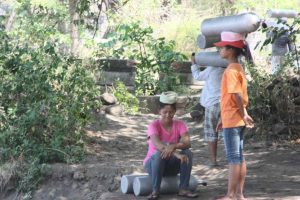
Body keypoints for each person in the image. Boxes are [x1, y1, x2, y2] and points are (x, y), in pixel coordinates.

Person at [214, 31, 254, 200]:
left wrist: (244, 113)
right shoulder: (238, 67)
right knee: (239, 156)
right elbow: (232, 97)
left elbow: (236, 94)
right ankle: (239, 194)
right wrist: (223, 118)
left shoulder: (230, 70)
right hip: (234, 118)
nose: (220, 50)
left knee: (233, 158)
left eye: (222, 47)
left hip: (234, 118)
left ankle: (230, 195)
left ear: (230, 50)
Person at [143, 91, 198, 200]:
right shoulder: (153, 125)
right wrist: (177, 154)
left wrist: (173, 146)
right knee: (159, 154)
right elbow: (159, 145)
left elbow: (187, 143)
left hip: (171, 166)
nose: (168, 115)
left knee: (187, 153)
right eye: (165, 112)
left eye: (171, 112)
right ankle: (155, 191)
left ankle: (183, 189)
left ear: (175, 111)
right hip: (153, 165)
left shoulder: (180, 124)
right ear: (159, 111)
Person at [190, 53, 225, 167]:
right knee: (226, 133)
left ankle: (213, 160)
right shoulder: (230, 69)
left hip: (212, 104)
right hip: (226, 104)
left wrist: (194, 63)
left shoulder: (212, 69)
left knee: (211, 133)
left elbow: (197, 76)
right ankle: (233, 160)